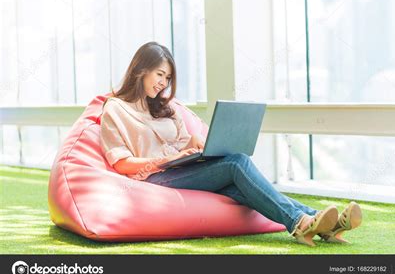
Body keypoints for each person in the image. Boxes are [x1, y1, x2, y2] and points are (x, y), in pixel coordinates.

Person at [99, 41, 362, 246]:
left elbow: (182, 145)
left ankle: (324, 223)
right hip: (155, 179)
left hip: (181, 170)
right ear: (140, 70)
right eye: (160, 74)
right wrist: (163, 160)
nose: (163, 83)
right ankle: (300, 222)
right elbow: (122, 163)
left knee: (241, 189)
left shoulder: (167, 108)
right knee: (237, 163)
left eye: (167, 78)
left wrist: (201, 146)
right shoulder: (115, 109)